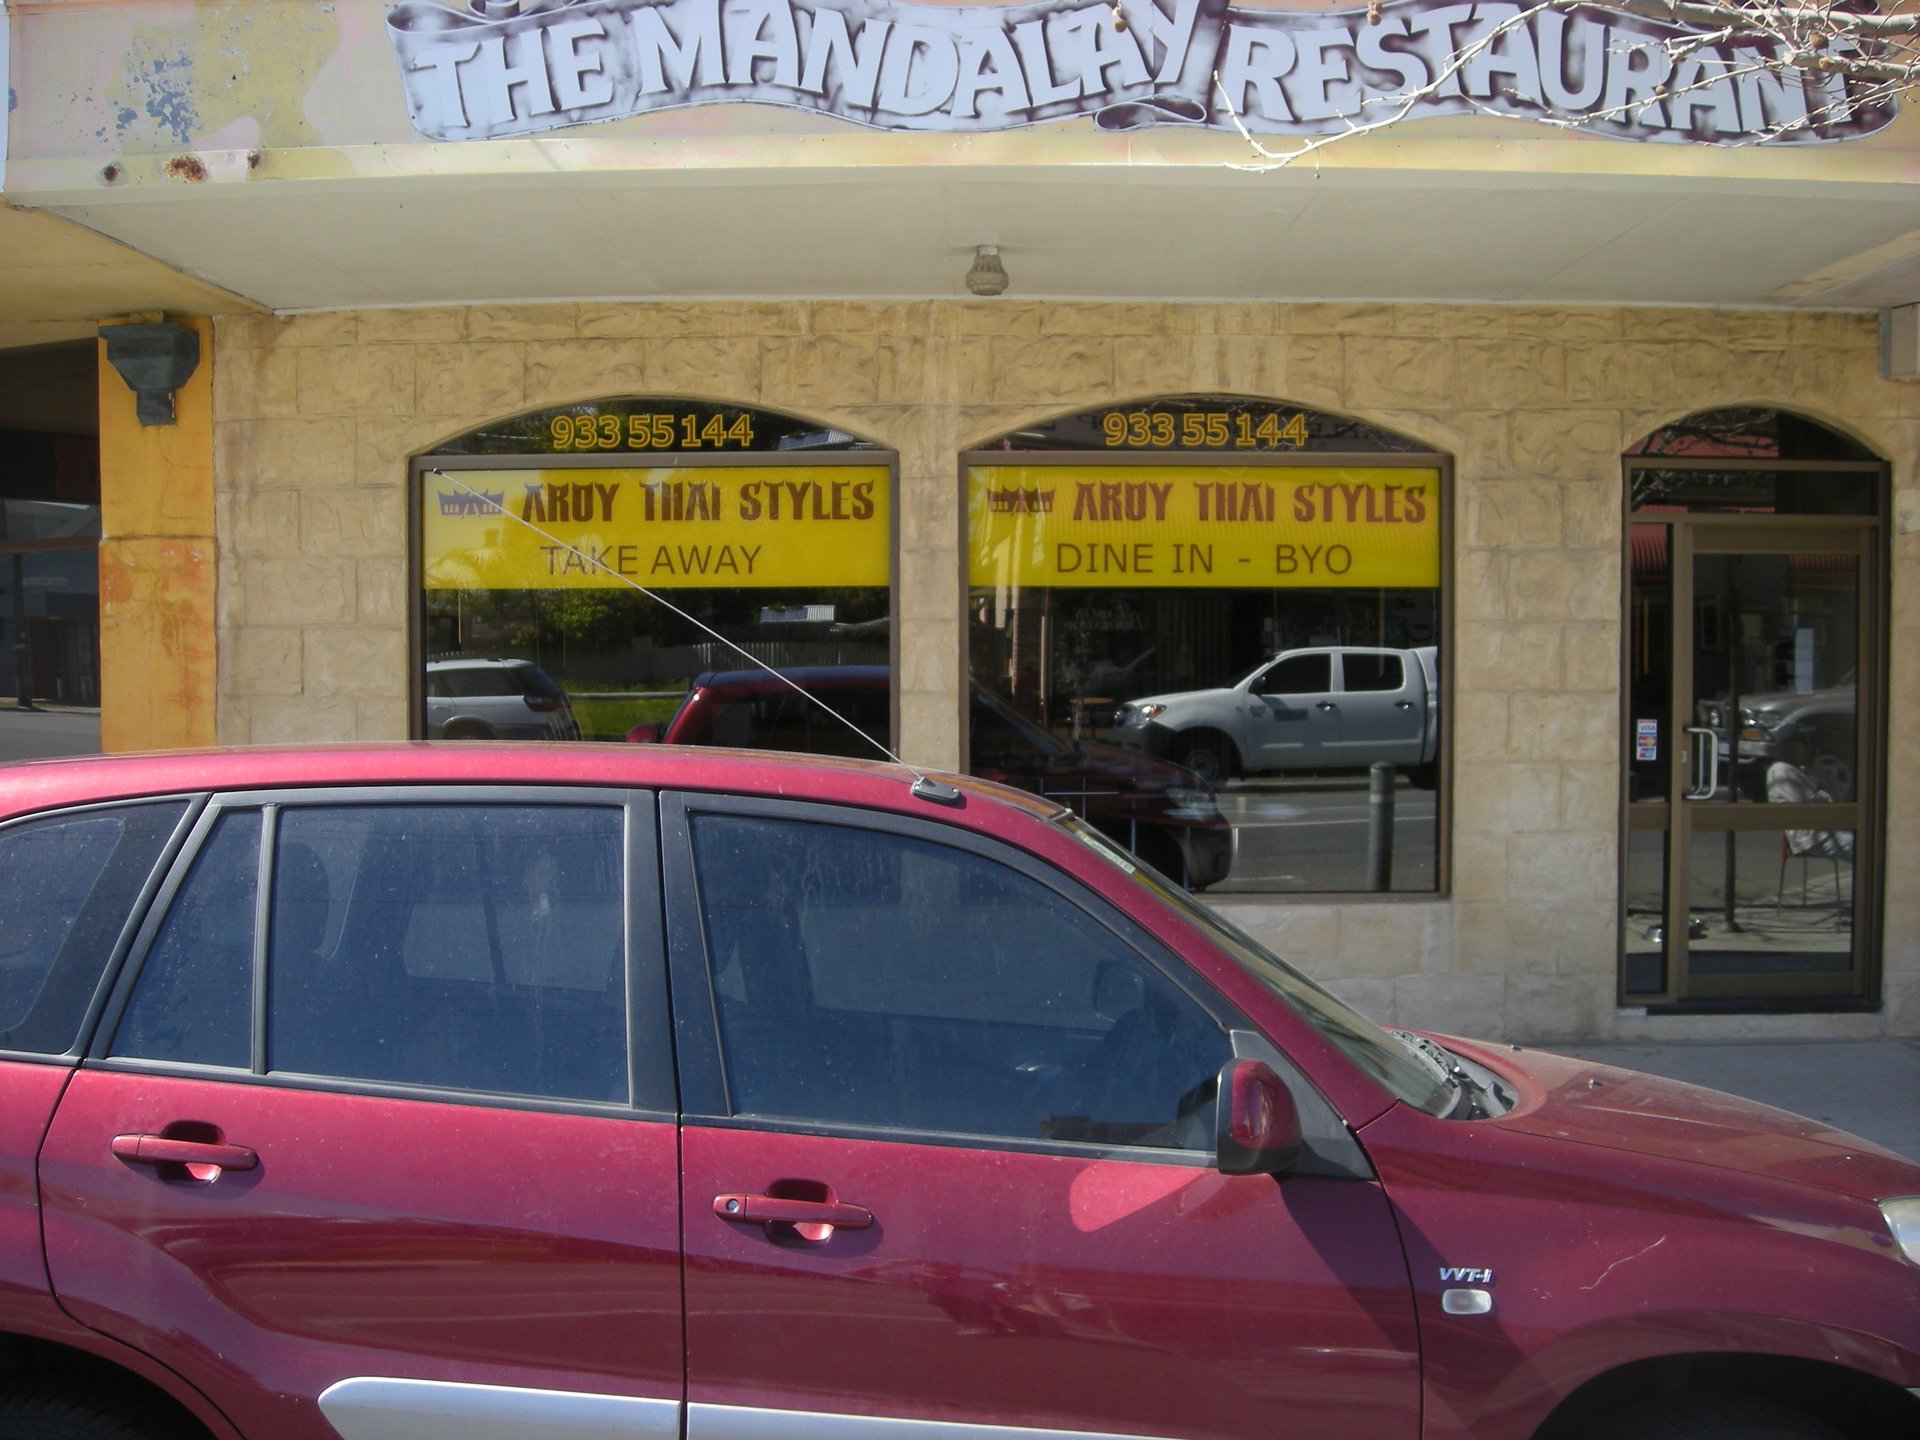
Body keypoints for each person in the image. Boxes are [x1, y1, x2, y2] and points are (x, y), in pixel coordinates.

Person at [1766, 726, 1851, 859]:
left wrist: (1822, 773)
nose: (1808, 747)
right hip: (1811, 838)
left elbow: (1839, 796)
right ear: (1791, 746)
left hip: (1826, 830)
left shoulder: (1802, 771)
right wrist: (1818, 782)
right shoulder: (1781, 771)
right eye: (1804, 742)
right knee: (1858, 845)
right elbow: (1810, 807)